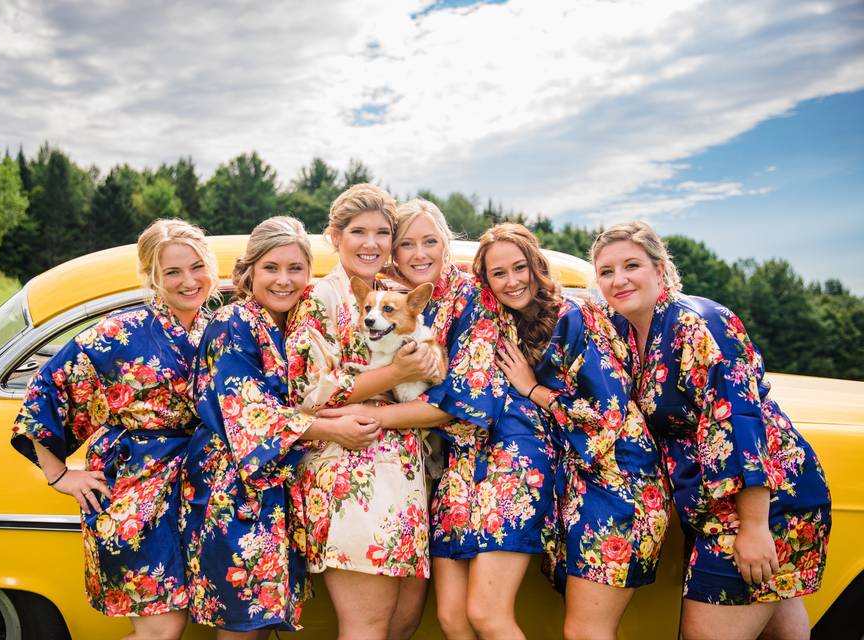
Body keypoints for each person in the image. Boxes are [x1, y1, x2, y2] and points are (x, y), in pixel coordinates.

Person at [590, 221, 830, 640]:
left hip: (762, 505)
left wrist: (754, 528)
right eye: (606, 271)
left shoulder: (700, 324)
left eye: (632, 265)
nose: (619, 279)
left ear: (660, 269)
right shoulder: (628, 332)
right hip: (713, 509)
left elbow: (739, 424)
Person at [318, 199, 535, 639]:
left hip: (501, 455)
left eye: (430, 242)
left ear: (446, 243)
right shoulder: (382, 297)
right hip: (445, 467)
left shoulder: (477, 296)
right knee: (451, 617)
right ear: (394, 255)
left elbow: (460, 403)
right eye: (406, 244)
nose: (419, 254)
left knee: (484, 615)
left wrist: (363, 411)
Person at [11, 218, 217, 640]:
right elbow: (46, 391)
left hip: (197, 488)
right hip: (135, 489)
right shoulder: (120, 332)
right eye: (173, 272)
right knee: (161, 629)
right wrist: (60, 474)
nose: (189, 281)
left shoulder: (216, 328)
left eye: (197, 267)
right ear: (151, 277)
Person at [180, 216, 381, 639]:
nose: (284, 280)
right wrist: (332, 429)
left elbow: (311, 393)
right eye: (272, 268)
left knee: (263, 623)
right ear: (249, 270)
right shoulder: (231, 323)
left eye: (296, 269)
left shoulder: (295, 324)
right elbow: (249, 410)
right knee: (243, 628)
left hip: (275, 491)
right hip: (232, 491)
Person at [477, 223, 670, 640]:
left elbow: (606, 413)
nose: (512, 281)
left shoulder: (572, 317)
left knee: (586, 632)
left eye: (520, 267)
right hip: (583, 485)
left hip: (620, 482)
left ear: (536, 266)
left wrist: (533, 389)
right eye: (498, 273)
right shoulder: (514, 326)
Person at [285, 184, 438, 640]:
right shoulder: (320, 298)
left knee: (402, 621)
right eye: (358, 232)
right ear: (335, 236)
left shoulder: (388, 295)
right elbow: (308, 393)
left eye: (383, 233)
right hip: (351, 475)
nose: (371, 243)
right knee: (368, 626)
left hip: (402, 472)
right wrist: (394, 373)